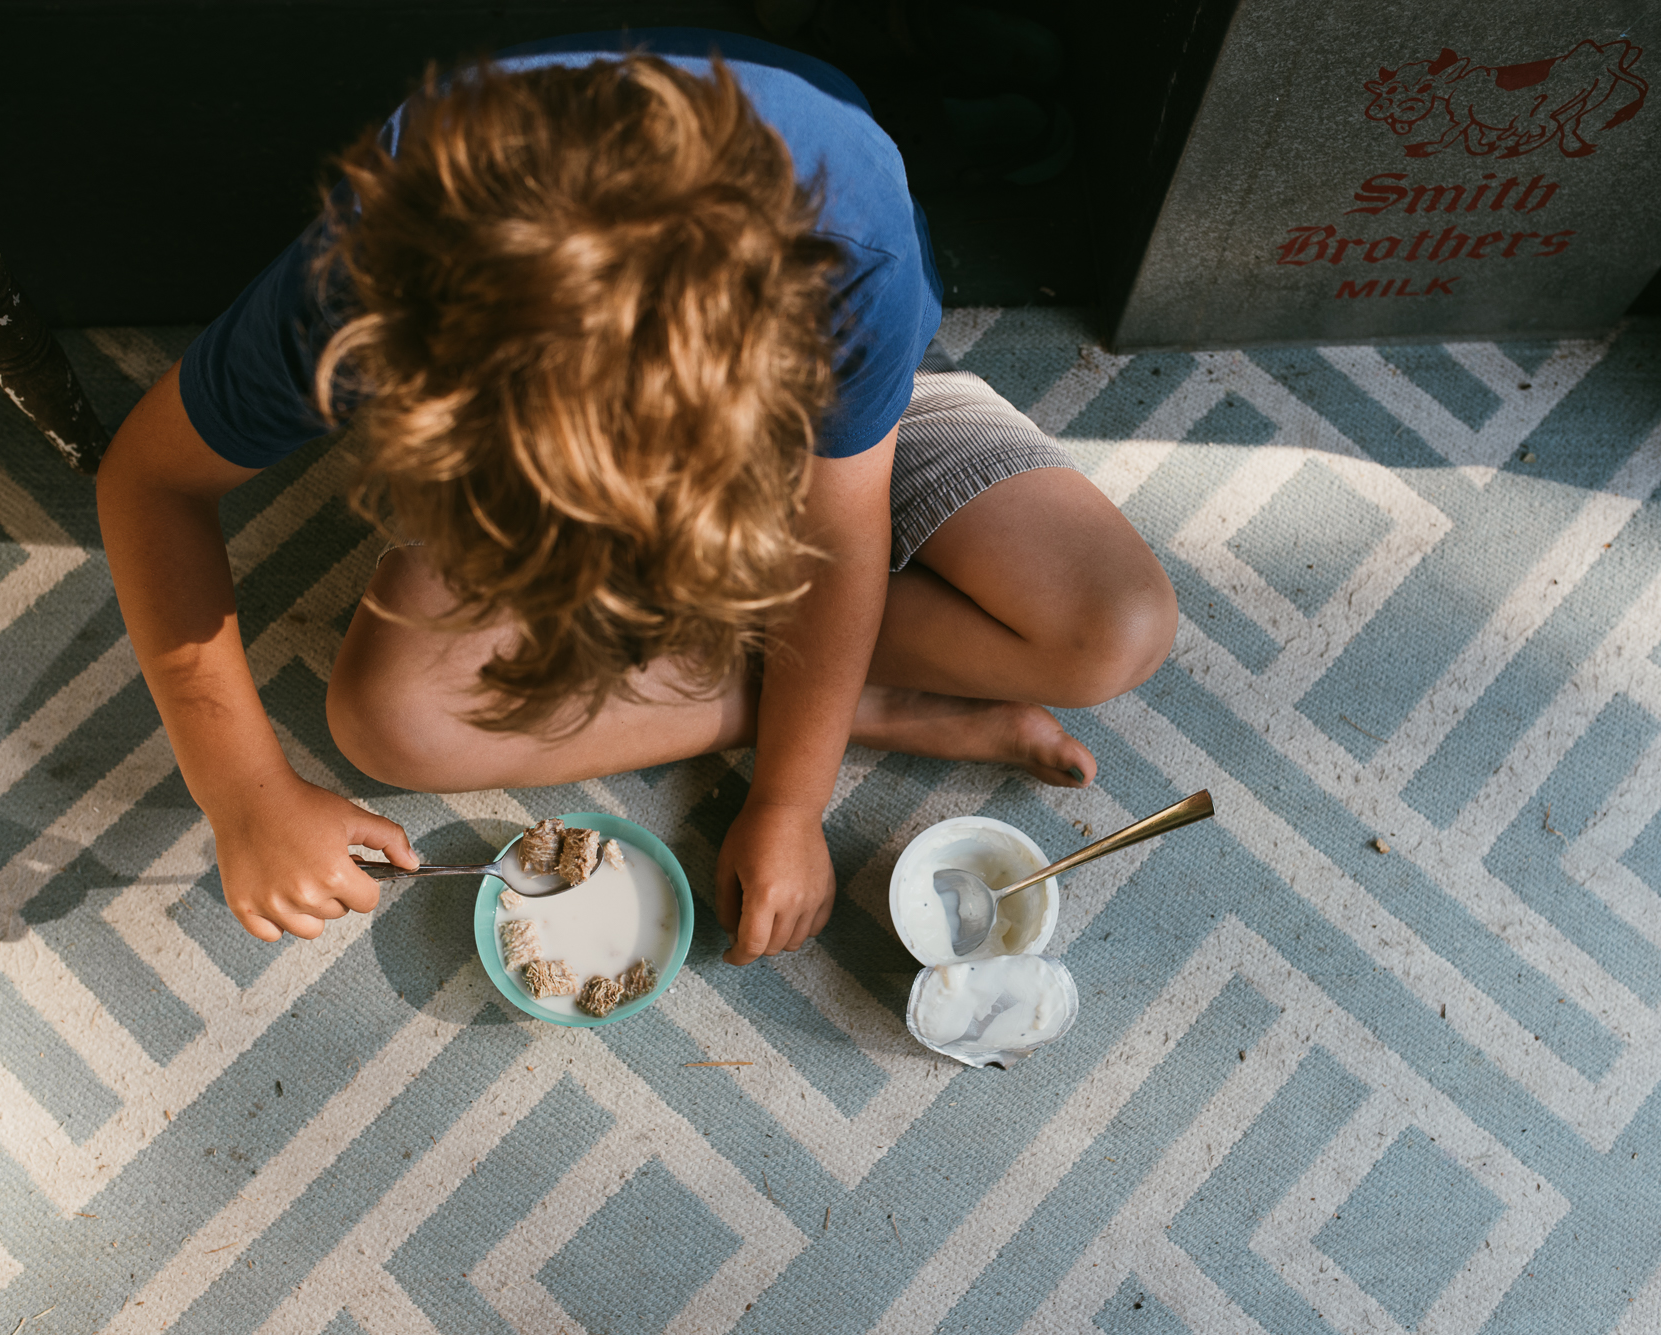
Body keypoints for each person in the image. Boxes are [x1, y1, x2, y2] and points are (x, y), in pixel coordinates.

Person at [95, 29, 1175, 967]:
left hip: (850, 420)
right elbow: (148, 482)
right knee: (389, 727)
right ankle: (864, 703)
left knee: (1109, 635)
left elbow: (836, 536)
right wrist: (241, 791)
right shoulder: (360, 281)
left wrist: (790, 799)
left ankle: (822, 697)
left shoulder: (848, 251)